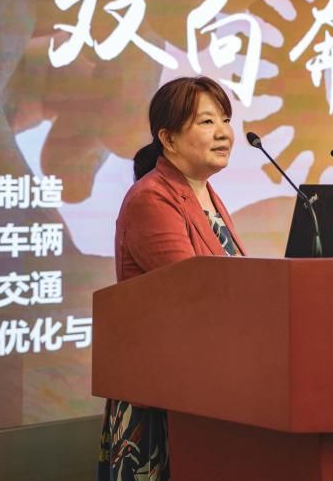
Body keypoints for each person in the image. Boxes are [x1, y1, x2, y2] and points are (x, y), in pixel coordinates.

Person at [97, 75, 246, 481]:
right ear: (169, 138)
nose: (224, 133)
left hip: (201, 384)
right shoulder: (153, 197)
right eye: (206, 122)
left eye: (225, 120)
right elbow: (192, 292)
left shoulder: (204, 193)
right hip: (162, 393)